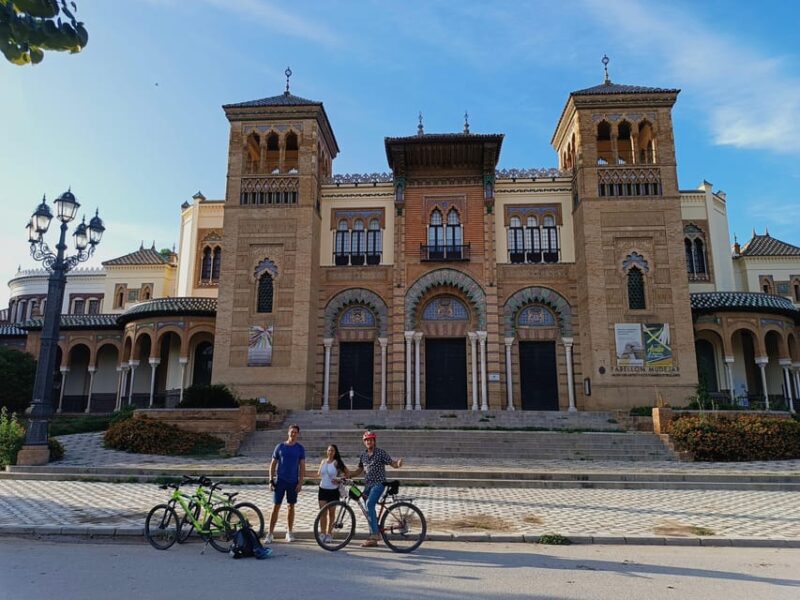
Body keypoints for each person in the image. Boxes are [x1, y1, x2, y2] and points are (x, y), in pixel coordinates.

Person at [349, 430, 403, 547]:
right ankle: (373, 538)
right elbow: (359, 470)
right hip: (367, 486)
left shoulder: (380, 453)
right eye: (367, 440)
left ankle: (375, 534)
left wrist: (398, 464)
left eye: (371, 440)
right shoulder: (363, 455)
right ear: (364, 442)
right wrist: (349, 475)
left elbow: (392, 463)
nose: (369, 442)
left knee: (369, 504)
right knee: (367, 510)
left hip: (378, 484)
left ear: (374, 441)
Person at [266, 424, 305, 543]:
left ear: (298, 434)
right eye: (291, 432)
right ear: (288, 432)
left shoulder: (300, 448)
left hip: (293, 482)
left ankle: (289, 532)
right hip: (280, 481)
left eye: (295, 432)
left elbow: (302, 466)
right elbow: (273, 464)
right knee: (275, 507)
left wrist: (300, 482)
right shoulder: (280, 447)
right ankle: (270, 533)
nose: (293, 434)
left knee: (291, 507)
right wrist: (270, 480)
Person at [317, 444, 348, 543]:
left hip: (333, 491)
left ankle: (329, 533)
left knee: (331, 514)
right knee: (322, 513)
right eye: (329, 450)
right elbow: (319, 474)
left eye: (332, 451)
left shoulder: (336, 463)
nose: (330, 452)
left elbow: (347, 474)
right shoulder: (323, 461)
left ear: (335, 452)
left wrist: (339, 480)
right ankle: (322, 533)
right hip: (322, 489)